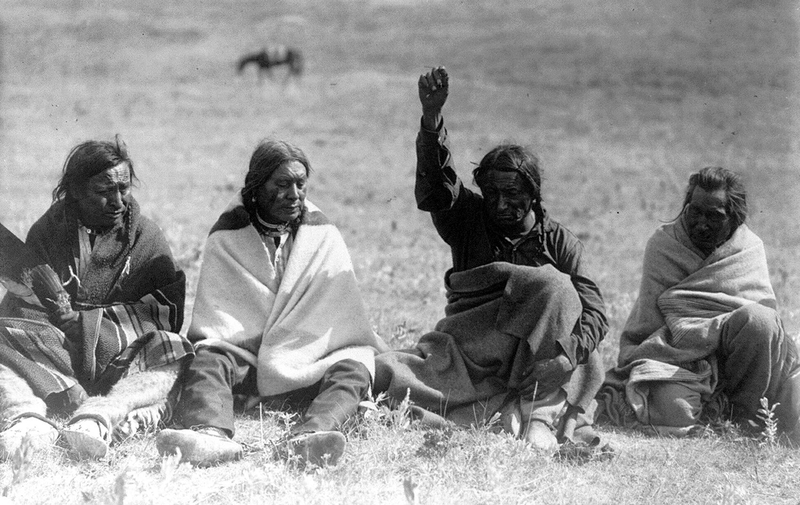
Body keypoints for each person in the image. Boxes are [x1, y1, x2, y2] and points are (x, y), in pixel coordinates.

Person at [373, 67, 609, 451]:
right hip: (473, 353)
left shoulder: (561, 243)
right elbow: (438, 186)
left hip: (540, 363)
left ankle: (538, 416)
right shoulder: (468, 218)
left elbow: (595, 312)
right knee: (394, 377)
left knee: (559, 292)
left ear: (533, 194)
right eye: (492, 193)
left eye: (513, 194)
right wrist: (432, 120)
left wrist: (566, 359)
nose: (500, 205)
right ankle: (519, 413)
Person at [156, 139, 385, 467]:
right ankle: (210, 433)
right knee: (208, 357)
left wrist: (297, 350)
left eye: (301, 184)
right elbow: (220, 322)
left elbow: (339, 313)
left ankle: (310, 437)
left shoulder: (323, 236)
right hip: (246, 359)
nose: (294, 194)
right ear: (256, 188)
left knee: (354, 366)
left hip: (309, 358)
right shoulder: (228, 236)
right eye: (282, 184)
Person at [0, 137, 192, 460]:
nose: (118, 201)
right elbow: (25, 306)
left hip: (119, 360)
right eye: (103, 192)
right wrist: (59, 316)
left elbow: (165, 310)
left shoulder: (147, 238)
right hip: (57, 356)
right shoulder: (48, 232)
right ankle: (28, 420)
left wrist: (88, 326)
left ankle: (101, 417)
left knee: (173, 350)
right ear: (75, 191)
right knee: (5, 337)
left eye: (124, 188)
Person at [601, 167, 800, 441]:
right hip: (680, 358)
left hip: (741, 364)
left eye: (714, 217)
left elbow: (767, 333)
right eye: (695, 212)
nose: (701, 224)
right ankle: (713, 407)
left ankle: (744, 416)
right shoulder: (664, 244)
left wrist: (720, 334)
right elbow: (648, 324)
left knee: (760, 320)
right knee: (675, 411)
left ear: (735, 218)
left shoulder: (749, 249)